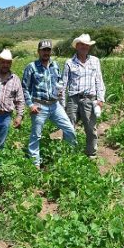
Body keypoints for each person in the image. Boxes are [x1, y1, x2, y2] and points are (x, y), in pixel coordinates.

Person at [22, 40, 76, 168]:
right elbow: (24, 88)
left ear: (51, 51)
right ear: (38, 51)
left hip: (55, 105)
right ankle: (35, 165)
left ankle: (69, 157)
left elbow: (60, 84)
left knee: (69, 129)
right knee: (36, 135)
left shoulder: (55, 65)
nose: (46, 52)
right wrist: (30, 105)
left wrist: (61, 99)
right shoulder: (31, 67)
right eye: (43, 50)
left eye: (48, 50)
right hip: (39, 105)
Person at [62, 33, 106, 158]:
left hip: (89, 99)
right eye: (81, 44)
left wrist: (100, 99)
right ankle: (69, 154)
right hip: (73, 99)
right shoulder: (69, 62)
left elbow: (99, 80)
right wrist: (62, 103)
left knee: (91, 127)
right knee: (69, 126)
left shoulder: (95, 61)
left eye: (86, 45)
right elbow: (64, 84)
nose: (84, 47)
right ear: (76, 46)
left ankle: (91, 153)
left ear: (89, 47)